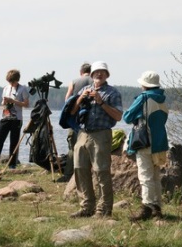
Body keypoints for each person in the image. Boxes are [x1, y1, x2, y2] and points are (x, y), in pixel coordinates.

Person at [69, 61, 123, 218]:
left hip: (101, 134)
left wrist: (101, 102)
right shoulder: (85, 89)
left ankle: (104, 209)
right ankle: (87, 206)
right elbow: (72, 112)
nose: (99, 74)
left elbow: (118, 116)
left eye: (102, 72)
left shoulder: (113, 93)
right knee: (80, 170)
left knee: (101, 171)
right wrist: (80, 99)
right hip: (83, 133)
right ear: (91, 74)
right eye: (96, 72)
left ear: (107, 75)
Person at [123, 71, 169, 221]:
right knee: (155, 176)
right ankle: (157, 207)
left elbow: (127, 117)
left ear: (144, 85)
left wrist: (137, 116)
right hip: (160, 142)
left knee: (145, 177)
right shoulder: (162, 100)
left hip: (144, 141)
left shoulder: (143, 98)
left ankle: (147, 208)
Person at [0, 70, 30, 170]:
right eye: (9, 81)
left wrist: (13, 101)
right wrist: (5, 101)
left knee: (14, 142)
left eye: (12, 82)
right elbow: (3, 102)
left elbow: (26, 104)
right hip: (5, 117)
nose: (11, 83)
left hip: (16, 119)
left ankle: (12, 164)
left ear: (17, 80)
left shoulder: (22, 89)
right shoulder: (6, 88)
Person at [57, 63, 93, 183]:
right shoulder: (95, 81)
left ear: (80, 72)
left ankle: (68, 175)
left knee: (73, 147)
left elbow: (67, 100)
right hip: (91, 119)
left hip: (75, 118)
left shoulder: (74, 81)